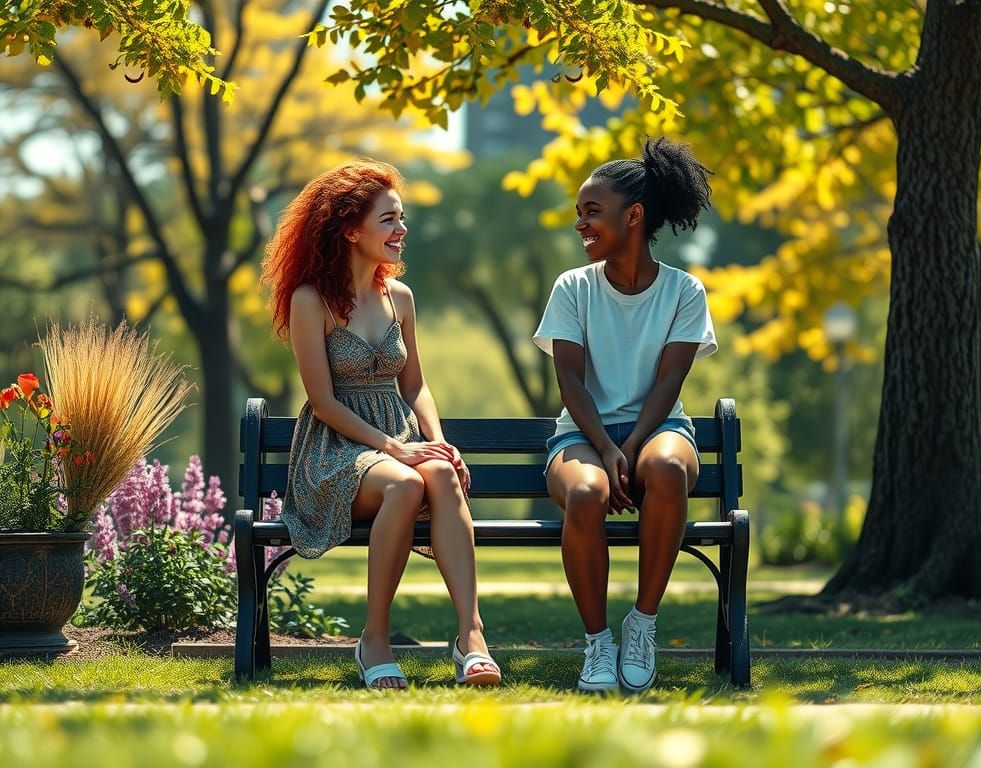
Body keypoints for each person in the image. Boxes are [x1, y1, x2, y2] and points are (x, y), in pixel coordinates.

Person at [261, 160, 501, 690]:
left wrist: (437, 444)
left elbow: (414, 386)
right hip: (335, 447)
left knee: (435, 474)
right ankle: (375, 640)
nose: (401, 231)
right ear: (351, 229)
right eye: (389, 220)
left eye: (402, 219)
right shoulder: (310, 301)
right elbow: (322, 401)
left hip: (397, 438)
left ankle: (471, 637)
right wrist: (398, 449)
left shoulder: (402, 299)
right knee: (408, 480)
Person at [533, 138, 717, 693]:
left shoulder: (685, 291)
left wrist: (632, 445)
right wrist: (607, 449)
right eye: (578, 214)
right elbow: (569, 381)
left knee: (664, 469)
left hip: (660, 431)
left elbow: (669, 382)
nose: (580, 225)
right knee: (586, 493)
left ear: (632, 216)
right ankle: (598, 644)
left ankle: (642, 625)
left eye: (592, 212)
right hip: (583, 436)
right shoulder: (573, 287)